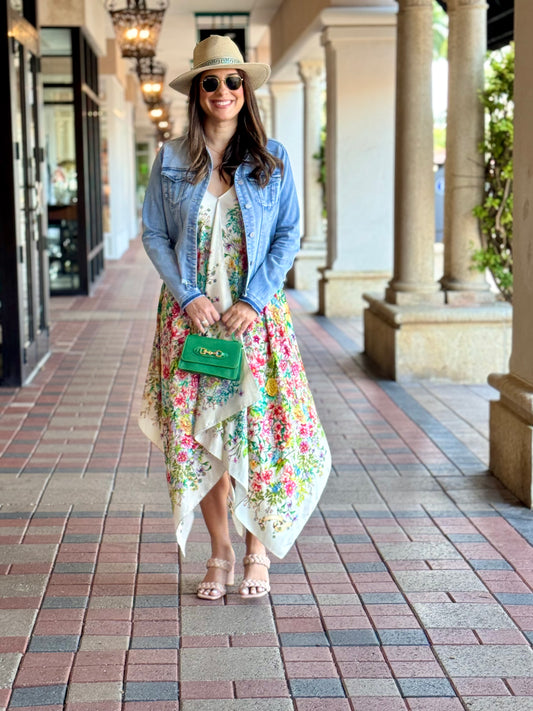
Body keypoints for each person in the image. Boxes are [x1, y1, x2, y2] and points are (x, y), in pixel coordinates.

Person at [139, 35, 331, 601]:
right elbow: (153, 232)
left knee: (253, 432)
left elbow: (289, 233)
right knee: (206, 438)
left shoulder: (272, 157)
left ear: (245, 91)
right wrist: (187, 294)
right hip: (191, 321)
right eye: (210, 82)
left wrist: (252, 300)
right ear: (197, 94)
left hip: (255, 321)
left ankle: (255, 553)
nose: (222, 91)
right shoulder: (171, 160)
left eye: (232, 81)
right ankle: (219, 553)